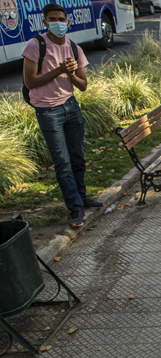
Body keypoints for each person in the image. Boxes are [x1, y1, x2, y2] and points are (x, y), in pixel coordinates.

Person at [22, 3, 101, 229]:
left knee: (77, 157)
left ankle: (82, 198)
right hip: (48, 111)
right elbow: (30, 82)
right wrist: (59, 70)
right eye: (52, 19)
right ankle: (75, 207)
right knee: (62, 162)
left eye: (61, 19)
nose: (57, 23)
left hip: (70, 106)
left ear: (68, 22)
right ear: (45, 22)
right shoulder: (35, 45)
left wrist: (71, 74)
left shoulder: (74, 47)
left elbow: (83, 84)